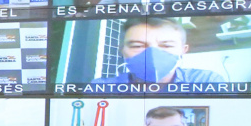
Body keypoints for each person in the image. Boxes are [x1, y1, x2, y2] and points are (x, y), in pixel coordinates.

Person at [92, 18, 225, 84]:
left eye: (166, 46)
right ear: (122, 50)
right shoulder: (100, 86)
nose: (152, 55)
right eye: (138, 46)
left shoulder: (207, 81)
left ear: (183, 50)